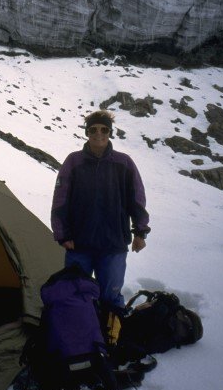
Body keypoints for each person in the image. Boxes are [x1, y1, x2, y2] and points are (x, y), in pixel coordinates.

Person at [51, 109, 150, 309]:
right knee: (75, 295)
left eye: (104, 129)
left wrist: (140, 232)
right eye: (93, 129)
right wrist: (63, 235)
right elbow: (60, 201)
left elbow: (136, 199)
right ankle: (79, 338)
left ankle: (111, 338)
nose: (99, 134)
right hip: (78, 244)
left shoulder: (124, 163)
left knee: (111, 299)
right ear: (86, 132)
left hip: (113, 244)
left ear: (110, 132)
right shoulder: (73, 161)